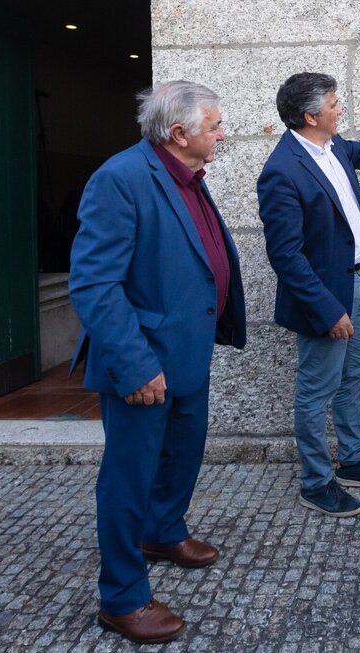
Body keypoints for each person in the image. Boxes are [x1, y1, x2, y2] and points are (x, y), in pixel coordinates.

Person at [69, 80, 246, 643]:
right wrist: (136, 364)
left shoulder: (187, 175)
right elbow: (95, 284)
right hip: (143, 363)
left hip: (189, 353)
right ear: (179, 133)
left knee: (183, 454)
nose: (222, 134)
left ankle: (163, 530)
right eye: (215, 126)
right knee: (128, 478)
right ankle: (122, 597)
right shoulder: (120, 179)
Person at [258, 72, 360, 517]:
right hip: (325, 299)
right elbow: (286, 256)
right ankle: (315, 482)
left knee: (354, 373)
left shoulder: (332, 146)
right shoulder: (282, 171)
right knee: (316, 390)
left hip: (355, 283)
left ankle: (352, 460)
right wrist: (329, 310)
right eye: (333, 103)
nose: (340, 108)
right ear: (311, 116)